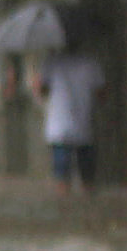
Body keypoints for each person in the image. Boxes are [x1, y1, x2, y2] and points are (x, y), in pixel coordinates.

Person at [35, 23, 104, 195]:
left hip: (60, 123)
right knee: (86, 167)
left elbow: (41, 90)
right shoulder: (90, 63)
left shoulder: (51, 63)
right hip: (83, 120)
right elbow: (101, 92)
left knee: (61, 169)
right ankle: (86, 193)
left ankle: (64, 197)